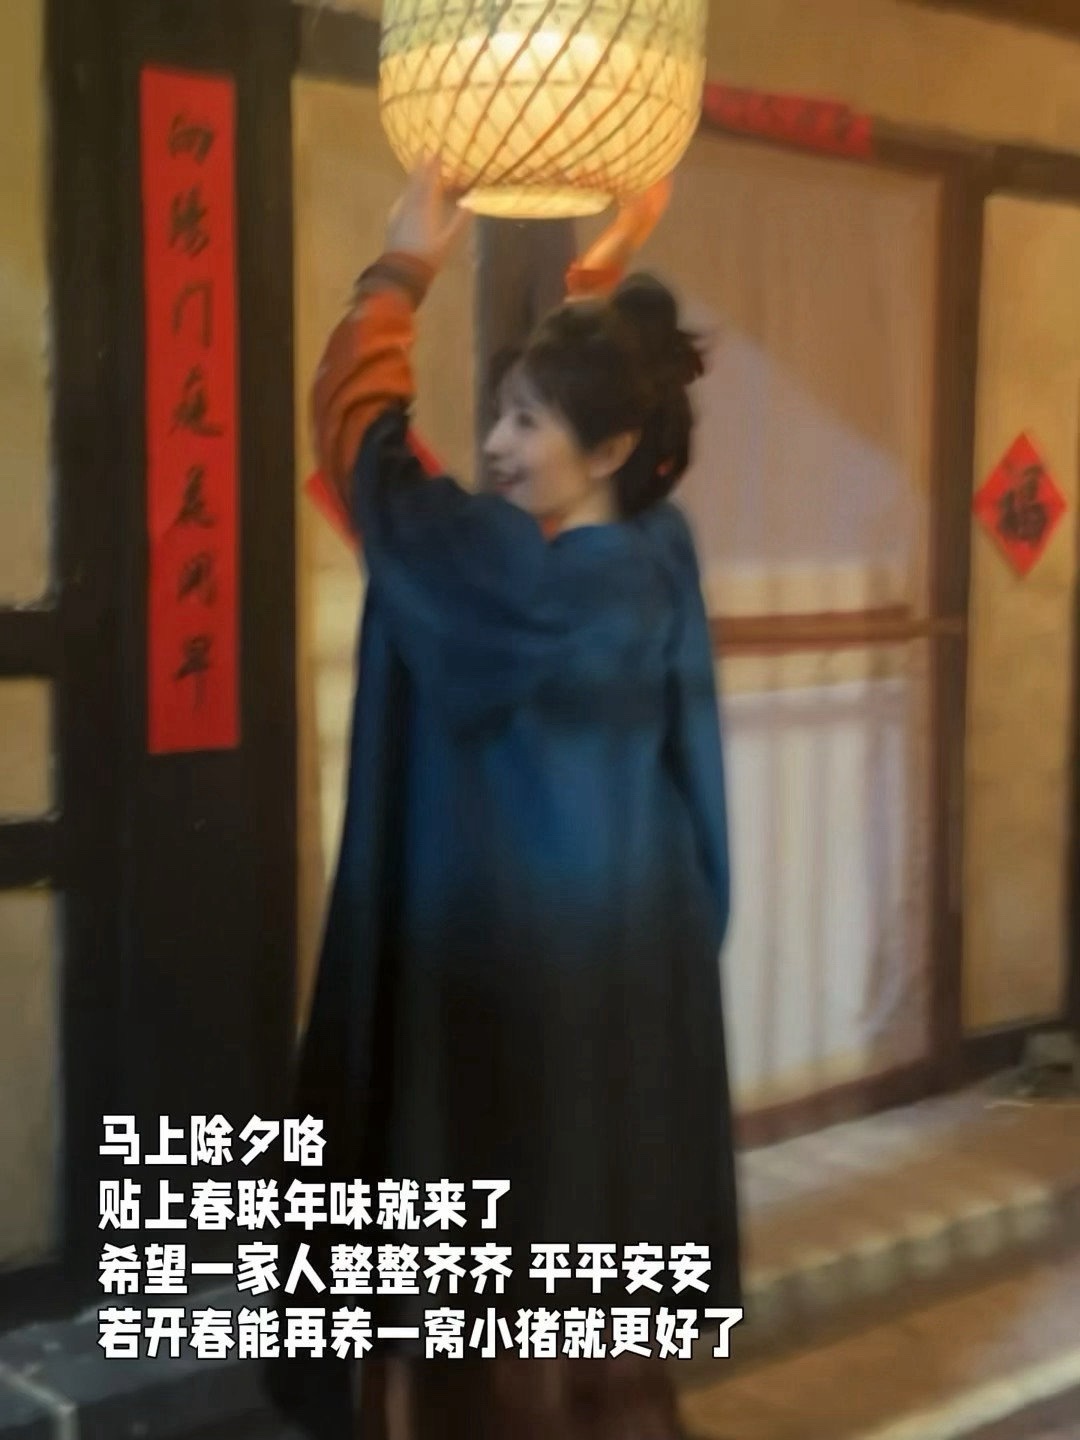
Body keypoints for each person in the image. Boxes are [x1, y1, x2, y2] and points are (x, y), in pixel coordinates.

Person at [266, 161, 740, 1440]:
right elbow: (564, 459)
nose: (494, 446)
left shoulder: (480, 572)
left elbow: (362, 446)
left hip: (490, 994)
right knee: (592, 1272)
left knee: (478, 1293)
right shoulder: (657, 559)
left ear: (612, 448)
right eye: (503, 417)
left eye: (527, 423)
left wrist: (403, 266)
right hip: (625, 983)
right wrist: (599, 283)